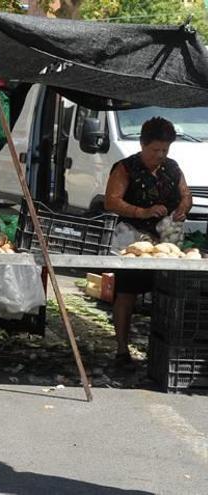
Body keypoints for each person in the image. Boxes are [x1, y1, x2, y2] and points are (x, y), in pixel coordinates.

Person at [104, 116, 192, 364]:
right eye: (156, 150)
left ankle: (161, 349)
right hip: (134, 241)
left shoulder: (172, 168)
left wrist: (184, 207)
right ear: (143, 145)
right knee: (127, 293)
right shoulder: (125, 167)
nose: (161, 155)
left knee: (166, 295)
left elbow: (186, 194)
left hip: (166, 244)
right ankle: (122, 348)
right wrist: (141, 212)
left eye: (165, 149)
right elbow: (112, 201)